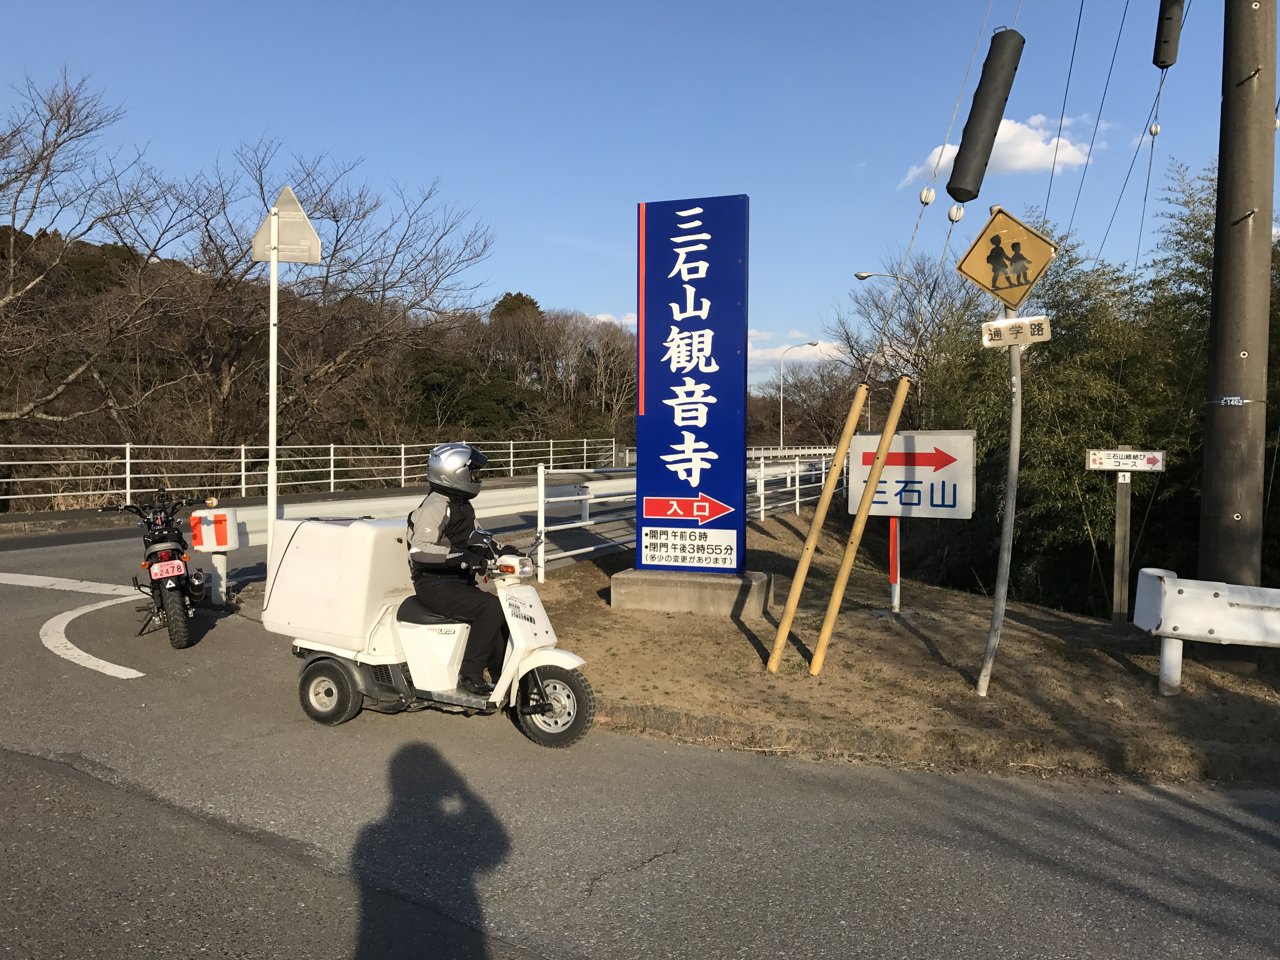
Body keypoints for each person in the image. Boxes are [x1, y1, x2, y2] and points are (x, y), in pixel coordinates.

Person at [406, 442, 505, 696]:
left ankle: (501, 673)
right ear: (453, 473)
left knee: (500, 609)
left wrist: (504, 551)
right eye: (471, 472)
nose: (475, 478)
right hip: (433, 584)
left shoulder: (461, 504)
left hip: (455, 582)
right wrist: (457, 557)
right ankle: (470, 676)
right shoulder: (436, 506)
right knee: (489, 608)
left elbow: (477, 536)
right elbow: (419, 551)